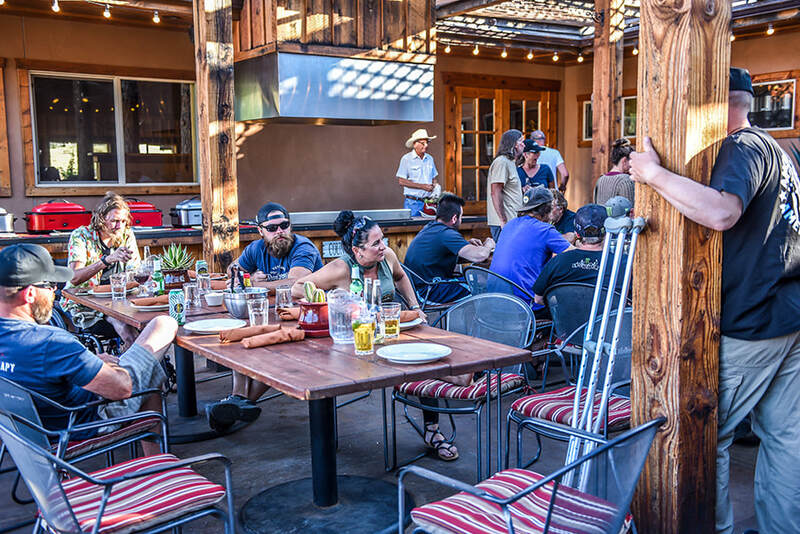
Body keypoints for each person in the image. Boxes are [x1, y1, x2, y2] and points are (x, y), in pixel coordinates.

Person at [629, 67, 800, 534]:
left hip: (753, 322)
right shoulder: (779, 151)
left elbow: (722, 212)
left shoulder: (741, 147)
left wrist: (654, 174)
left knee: (708, 435)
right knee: (786, 440)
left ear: (715, 102)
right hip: (788, 316)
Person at [292, 212, 464, 461]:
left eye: (383, 239)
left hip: (392, 332)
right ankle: (460, 376)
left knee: (423, 357)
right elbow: (298, 287)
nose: (383, 246)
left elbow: (401, 276)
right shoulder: (340, 268)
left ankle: (433, 429)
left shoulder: (388, 257)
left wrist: (415, 306)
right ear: (357, 250)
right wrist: (337, 302)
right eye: (376, 243)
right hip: (356, 343)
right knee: (422, 362)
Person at [0, 244, 176, 456]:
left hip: (27, 433)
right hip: (79, 424)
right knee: (163, 324)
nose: (55, 291)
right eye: (50, 285)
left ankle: (156, 459)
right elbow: (122, 389)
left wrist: (89, 363)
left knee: (149, 372)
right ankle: (158, 461)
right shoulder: (51, 342)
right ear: (29, 294)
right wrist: (107, 366)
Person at [208, 202, 324, 431]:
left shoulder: (303, 247)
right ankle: (239, 402)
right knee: (242, 337)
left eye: (284, 225)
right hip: (277, 315)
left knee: (273, 349)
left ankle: (238, 402)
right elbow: (233, 271)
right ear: (260, 231)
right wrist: (251, 278)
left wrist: (258, 285)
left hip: (308, 320)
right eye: (272, 228)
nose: (279, 231)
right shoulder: (256, 248)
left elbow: (296, 283)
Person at [63, 192, 141, 348]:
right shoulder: (81, 236)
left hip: (120, 302)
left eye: (123, 221)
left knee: (153, 324)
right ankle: (131, 362)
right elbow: (74, 278)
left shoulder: (126, 235)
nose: (119, 226)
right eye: (114, 221)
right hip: (86, 305)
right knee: (127, 330)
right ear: (101, 219)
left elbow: (135, 272)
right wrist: (106, 260)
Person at [489, 187, 571, 315]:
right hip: (523, 306)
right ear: (547, 208)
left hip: (492, 302)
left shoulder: (510, 225)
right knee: (569, 306)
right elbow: (575, 256)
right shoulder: (544, 229)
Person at [404, 194, 495, 305]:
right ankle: (483, 316)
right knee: (480, 287)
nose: (461, 220)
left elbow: (442, 253)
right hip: (429, 291)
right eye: (461, 217)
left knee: (475, 281)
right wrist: (489, 245)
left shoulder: (431, 228)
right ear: (454, 218)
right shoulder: (446, 234)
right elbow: (480, 256)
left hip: (419, 288)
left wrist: (466, 245)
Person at [532, 204, 625, 305]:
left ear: (576, 234)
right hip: (606, 315)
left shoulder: (558, 262)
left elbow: (538, 299)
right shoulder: (622, 263)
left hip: (566, 315)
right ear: (607, 231)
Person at [487, 129, 525, 242]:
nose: (524, 145)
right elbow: (495, 191)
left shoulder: (510, 162)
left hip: (513, 219)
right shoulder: (501, 162)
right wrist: (503, 220)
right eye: (521, 141)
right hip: (505, 223)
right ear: (514, 144)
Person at [396, 128, 439, 217]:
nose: (426, 145)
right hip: (412, 203)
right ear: (415, 144)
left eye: (427, 142)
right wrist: (423, 186)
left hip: (428, 204)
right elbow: (401, 181)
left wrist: (434, 187)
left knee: (428, 225)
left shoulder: (430, 158)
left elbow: (434, 178)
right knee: (413, 225)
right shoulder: (406, 159)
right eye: (423, 143)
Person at [594, 138, 635, 205]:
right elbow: (630, 209)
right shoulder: (626, 180)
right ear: (624, 161)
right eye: (631, 161)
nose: (632, 164)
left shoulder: (600, 180)